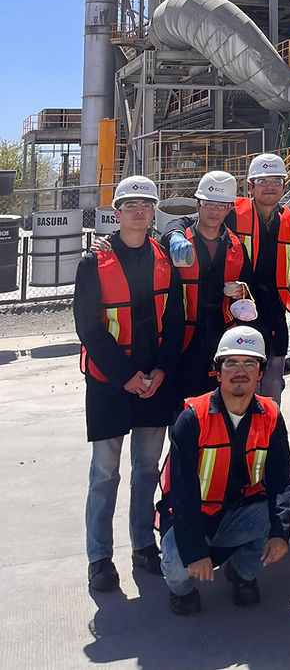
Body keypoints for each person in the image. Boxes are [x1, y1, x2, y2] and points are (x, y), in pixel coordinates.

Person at [75, 175, 184, 591]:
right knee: (105, 473)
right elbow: (89, 327)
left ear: (153, 211)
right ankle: (99, 558)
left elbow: (174, 323)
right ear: (116, 213)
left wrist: (159, 372)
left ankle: (143, 546)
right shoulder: (93, 263)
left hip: (154, 382)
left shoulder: (164, 259)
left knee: (145, 470)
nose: (139, 212)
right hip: (109, 383)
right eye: (130, 205)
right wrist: (126, 378)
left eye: (146, 205)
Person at [159, 326, 290, 614]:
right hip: (195, 517)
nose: (240, 371)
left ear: (261, 373)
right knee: (175, 559)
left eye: (249, 363)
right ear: (218, 372)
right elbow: (181, 493)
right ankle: (182, 592)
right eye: (231, 362)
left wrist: (279, 534)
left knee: (288, 525)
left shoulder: (270, 416)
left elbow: (282, 480)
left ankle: (242, 573)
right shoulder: (192, 418)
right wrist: (195, 551)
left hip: (239, 514)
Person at [160, 170, 256, 406]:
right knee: (184, 409)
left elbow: (248, 287)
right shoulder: (178, 242)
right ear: (198, 205)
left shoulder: (236, 246)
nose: (214, 211)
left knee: (220, 408)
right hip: (184, 339)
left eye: (221, 206)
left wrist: (241, 295)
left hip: (222, 338)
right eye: (208, 204)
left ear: (229, 209)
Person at [228, 153, 290, 401]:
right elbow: (192, 223)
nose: (270, 186)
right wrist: (174, 234)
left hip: (275, 312)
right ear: (250, 186)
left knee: (273, 383)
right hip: (239, 311)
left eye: (276, 181)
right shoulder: (232, 214)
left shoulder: (288, 218)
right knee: (243, 380)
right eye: (263, 180)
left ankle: (269, 435)